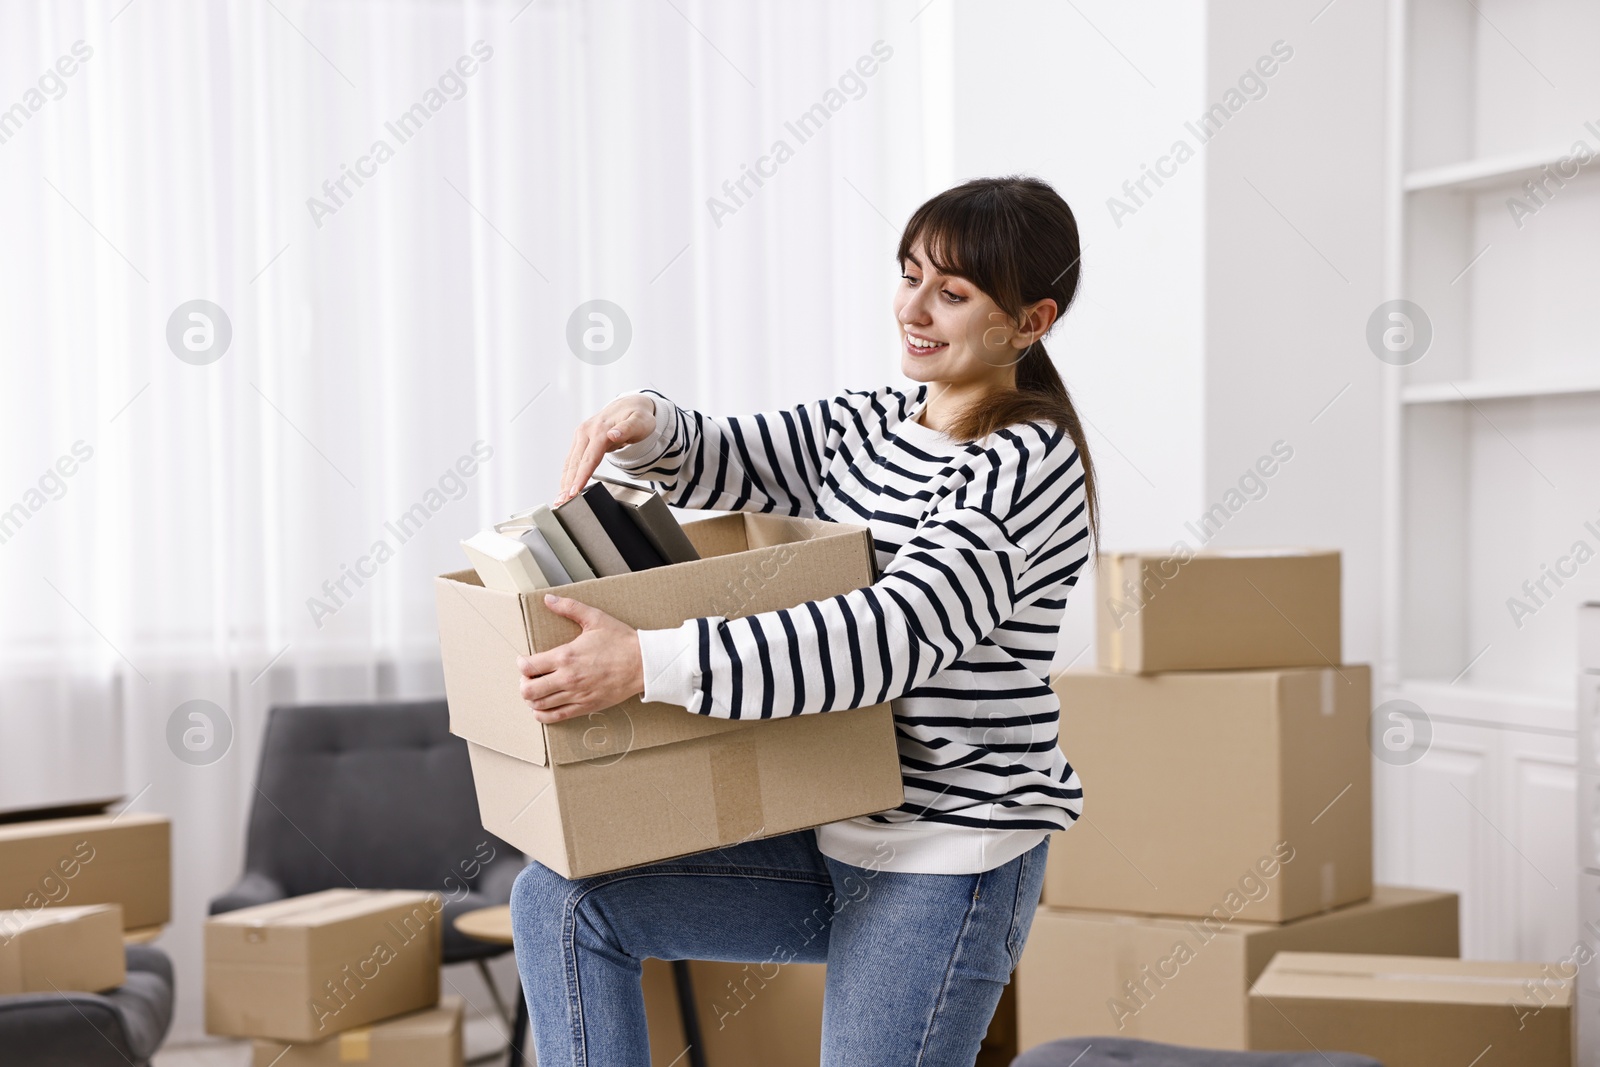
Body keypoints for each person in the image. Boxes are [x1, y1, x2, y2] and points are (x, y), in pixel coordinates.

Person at [509, 175, 1101, 1066]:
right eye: (909, 276)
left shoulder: (1022, 466)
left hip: (946, 857)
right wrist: (654, 424)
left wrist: (646, 664)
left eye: (954, 291)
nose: (917, 307)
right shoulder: (875, 424)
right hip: (833, 819)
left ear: (1029, 321)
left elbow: (889, 636)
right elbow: (741, 453)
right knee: (561, 901)